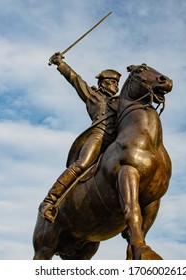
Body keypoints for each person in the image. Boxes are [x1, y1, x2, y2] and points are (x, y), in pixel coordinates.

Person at [39, 52, 121, 223]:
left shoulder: (119, 102)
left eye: (117, 83)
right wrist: (61, 64)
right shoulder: (94, 96)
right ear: (103, 83)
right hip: (99, 135)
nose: (116, 86)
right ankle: (49, 201)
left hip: (115, 142)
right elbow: (75, 80)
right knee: (81, 164)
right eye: (112, 82)